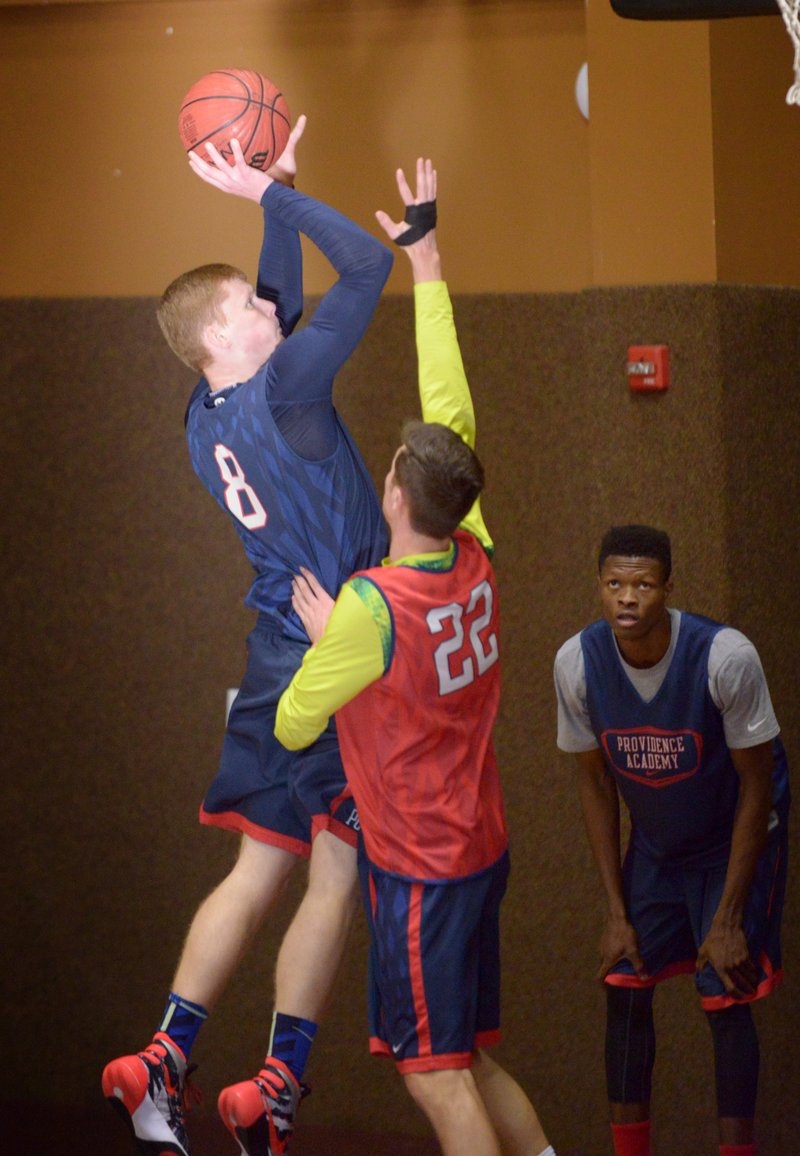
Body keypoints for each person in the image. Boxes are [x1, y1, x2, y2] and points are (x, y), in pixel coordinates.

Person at [102, 118, 394, 1156]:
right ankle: (276, 1082)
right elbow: (364, 262)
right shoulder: (293, 390)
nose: (268, 308)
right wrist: (268, 200)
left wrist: (280, 183)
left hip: (269, 653)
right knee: (332, 870)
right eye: (247, 306)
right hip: (335, 648)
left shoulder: (203, 413)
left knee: (253, 869)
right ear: (220, 339)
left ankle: (164, 1055)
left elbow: (286, 302)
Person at [275, 158, 556, 1156]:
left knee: (432, 1073)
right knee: (469, 1058)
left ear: (392, 492)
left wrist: (324, 648)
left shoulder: (368, 606)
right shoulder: (471, 551)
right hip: (480, 846)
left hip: (423, 870)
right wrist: (426, 260)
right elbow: (452, 404)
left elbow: (294, 721)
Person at [554, 524, 790, 1156]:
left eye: (643, 584)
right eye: (613, 584)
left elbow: (757, 789)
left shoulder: (724, 656)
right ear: (598, 588)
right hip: (658, 846)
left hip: (729, 833)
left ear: (668, 589)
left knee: (725, 986)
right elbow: (596, 787)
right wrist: (615, 912)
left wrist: (729, 914)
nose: (627, 598)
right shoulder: (577, 663)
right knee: (623, 979)